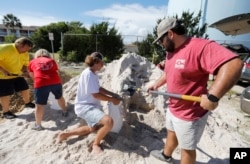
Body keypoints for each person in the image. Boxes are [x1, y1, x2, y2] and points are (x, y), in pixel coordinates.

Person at [148, 18, 243, 164]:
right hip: (174, 107)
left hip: (190, 114)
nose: (161, 44)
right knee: (171, 133)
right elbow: (169, 71)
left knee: (187, 149)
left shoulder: (200, 47)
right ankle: (166, 155)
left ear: (170, 34)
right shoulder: (171, 51)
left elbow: (234, 64)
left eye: (161, 40)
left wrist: (213, 96)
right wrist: (156, 84)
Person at [57, 52, 121, 154]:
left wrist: (112, 94)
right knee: (109, 122)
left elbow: (98, 88)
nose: (103, 65)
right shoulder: (89, 75)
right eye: (101, 63)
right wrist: (112, 99)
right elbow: (95, 95)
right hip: (85, 107)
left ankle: (65, 135)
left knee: (93, 128)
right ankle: (96, 144)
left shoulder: (92, 73)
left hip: (90, 105)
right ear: (96, 62)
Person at [28, 49, 68, 130]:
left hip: (41, 82)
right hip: (55, 81)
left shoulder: (32, 62)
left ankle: (38, 125)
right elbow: (57, 72)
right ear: (47, 54)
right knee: (59, 97)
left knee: (39, 105)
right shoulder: (52, 60)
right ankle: (64, 111)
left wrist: (37, 82)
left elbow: (32, 75)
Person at [0, 37, 35, 119]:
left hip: (17, 74)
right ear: (19, 44)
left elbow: (25, 64)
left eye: (28, 49)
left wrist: (25, 72)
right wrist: (4, 71)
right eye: (25, 49)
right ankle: (6, 112)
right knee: (4, 94)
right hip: (2, 76)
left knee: (25, 88)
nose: (26, 51)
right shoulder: (5, 49)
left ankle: (27, 103)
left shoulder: (25, 53)